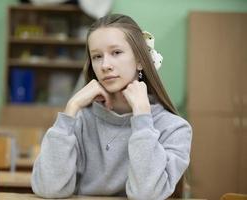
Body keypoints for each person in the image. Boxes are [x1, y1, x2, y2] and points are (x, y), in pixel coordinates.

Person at [31, 14, 192, 200]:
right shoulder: (80, 121)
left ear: (141, 60)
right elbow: (48, 189)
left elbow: (147, 195)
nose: (105, 65)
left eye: (116, 52)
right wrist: (71, 107)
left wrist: (142, 119)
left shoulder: (175, 128)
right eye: (97, 56)